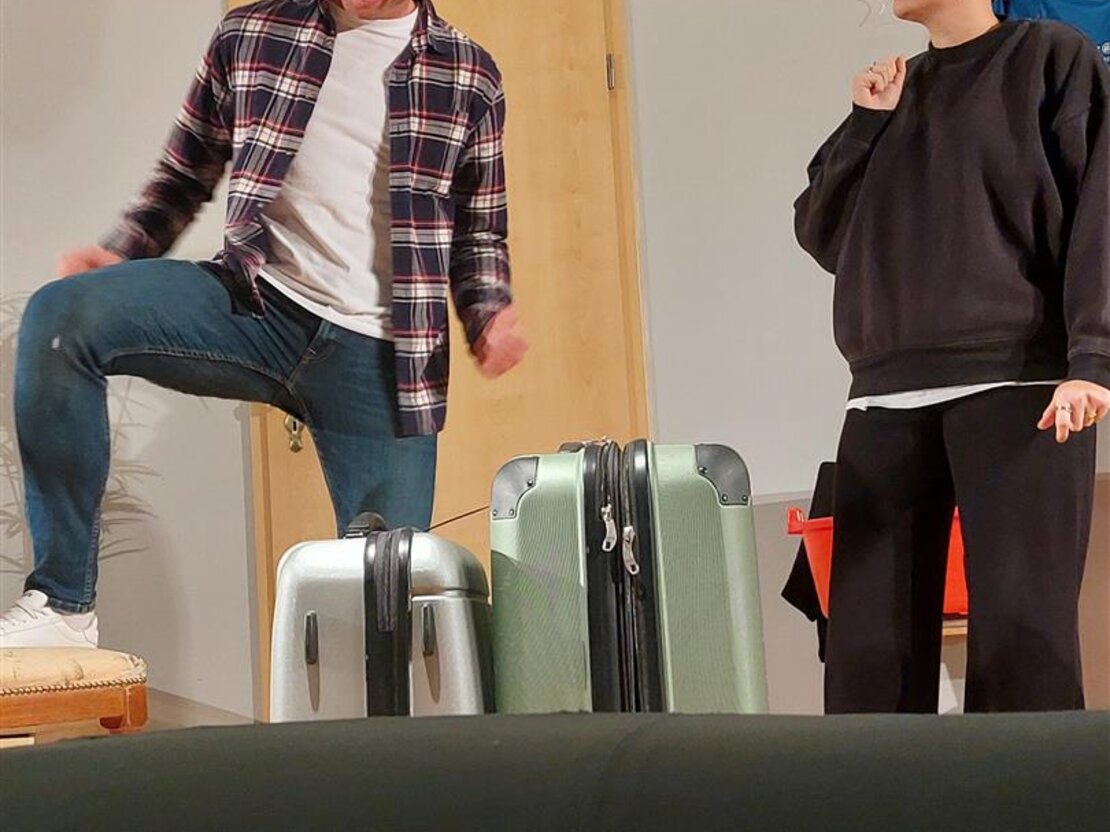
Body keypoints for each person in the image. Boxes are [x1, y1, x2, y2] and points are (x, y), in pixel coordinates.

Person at [1, 0, 527, 649]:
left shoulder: (469, 73)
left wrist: (488, 312)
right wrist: (124, 250)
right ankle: (63, 607)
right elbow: (185, 172)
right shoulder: (252, 33)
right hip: (256, 306)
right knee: (62, 317)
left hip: (382, 360)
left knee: (389, 598)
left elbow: (479, 233)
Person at [794, 0, 1109, 712]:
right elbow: (820, 231)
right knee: (866, 666)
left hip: (1019, 384)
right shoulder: (895, 89)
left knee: (1023, 655)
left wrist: (1094, 358)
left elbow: (1102, 210)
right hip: (883, 395)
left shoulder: (1051, 58)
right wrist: (865, 124)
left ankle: (1029, 790)